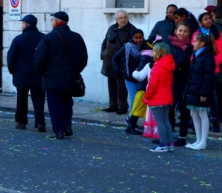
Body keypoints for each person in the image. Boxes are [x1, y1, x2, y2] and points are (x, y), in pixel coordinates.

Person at [34, 11, 88, 140]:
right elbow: (83, 58)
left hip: (52, 79)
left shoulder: (49, 38)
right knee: (67, 103)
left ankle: (58, 130)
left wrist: (42, 73)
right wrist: (75, 71)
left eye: (52, 20)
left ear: (57, 21)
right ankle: (67, 126)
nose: (51, 22)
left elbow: (40, 59)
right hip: (70, 78)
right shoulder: (77, 37)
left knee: (55, 105)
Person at [7, 14, 46, 132]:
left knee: (21, 98)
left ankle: (21, 122)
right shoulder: (43, 38)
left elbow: (11, 57)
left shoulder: (18, 39)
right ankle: (40, 122)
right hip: (38, 73)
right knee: (39, 99)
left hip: (21, 74)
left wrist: (12, 70)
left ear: (25, 25)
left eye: (22, 24)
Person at [192, 11, 222, 133]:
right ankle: (198, 120)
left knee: (211, 95)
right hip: (198, 70)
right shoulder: (196, 34)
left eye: (210, 18)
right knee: (198, 94)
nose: (209, 20)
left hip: (213, 70)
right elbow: (193, 52)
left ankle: (215, 120)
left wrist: (210, 64)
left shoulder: (218, 34)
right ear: (200, 22)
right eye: (205, 19)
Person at [183, 33, 216, 151]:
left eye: (195, 41)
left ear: (202, 43)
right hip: (193, 90)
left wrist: (204, 93)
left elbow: (208, 77)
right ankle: (198, 139)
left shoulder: (207, 56)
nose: (193, 43)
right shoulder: (197, 55)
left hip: (200, 91)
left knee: (202, 114)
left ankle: (203, 142)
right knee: (194, 114)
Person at [100, 10, 136, 114]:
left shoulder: (131, 29)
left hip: (121, 62)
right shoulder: (112, 28)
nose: (123, 19)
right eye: (121, 18)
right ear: (117, 19)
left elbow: (133, 46)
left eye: (125, 17)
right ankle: (113, 105)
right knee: (111, 84)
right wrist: (103, 53)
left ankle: (122, 107)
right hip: (109, 62)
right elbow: (104, 42)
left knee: (121, 86)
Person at [143, 43, 176, 153]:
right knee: (166, 121)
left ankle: (162, 144)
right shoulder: (168, 65)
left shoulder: (158, 66)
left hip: (157, 98)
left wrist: (147, 97)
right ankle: (169, 144)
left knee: (160, 122)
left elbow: (152, 85)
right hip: (167, 97)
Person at [167, 23, 193, 146]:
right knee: (169, 109)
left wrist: (171, 67)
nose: (182, 33)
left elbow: (180, 62)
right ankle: (168, 135)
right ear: (175, 31)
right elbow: (165, 58)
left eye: (185, 31)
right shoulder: (169, 45)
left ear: (188, 33)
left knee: (183, 109)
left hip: (183, 81)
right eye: (180, 30)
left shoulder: (189, 47)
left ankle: (182, 136)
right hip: (170, 80)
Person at [112, 28, 145, 115]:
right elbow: (115, 58)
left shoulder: (146, 46)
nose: (138, 40)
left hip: (143, 77)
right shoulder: (127, 47)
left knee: (142, 98)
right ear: (132, 38)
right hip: (130, 76)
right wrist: (118, 71)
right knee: (133, 97)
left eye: (140, 37)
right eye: (136, 38)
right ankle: (131, 120)